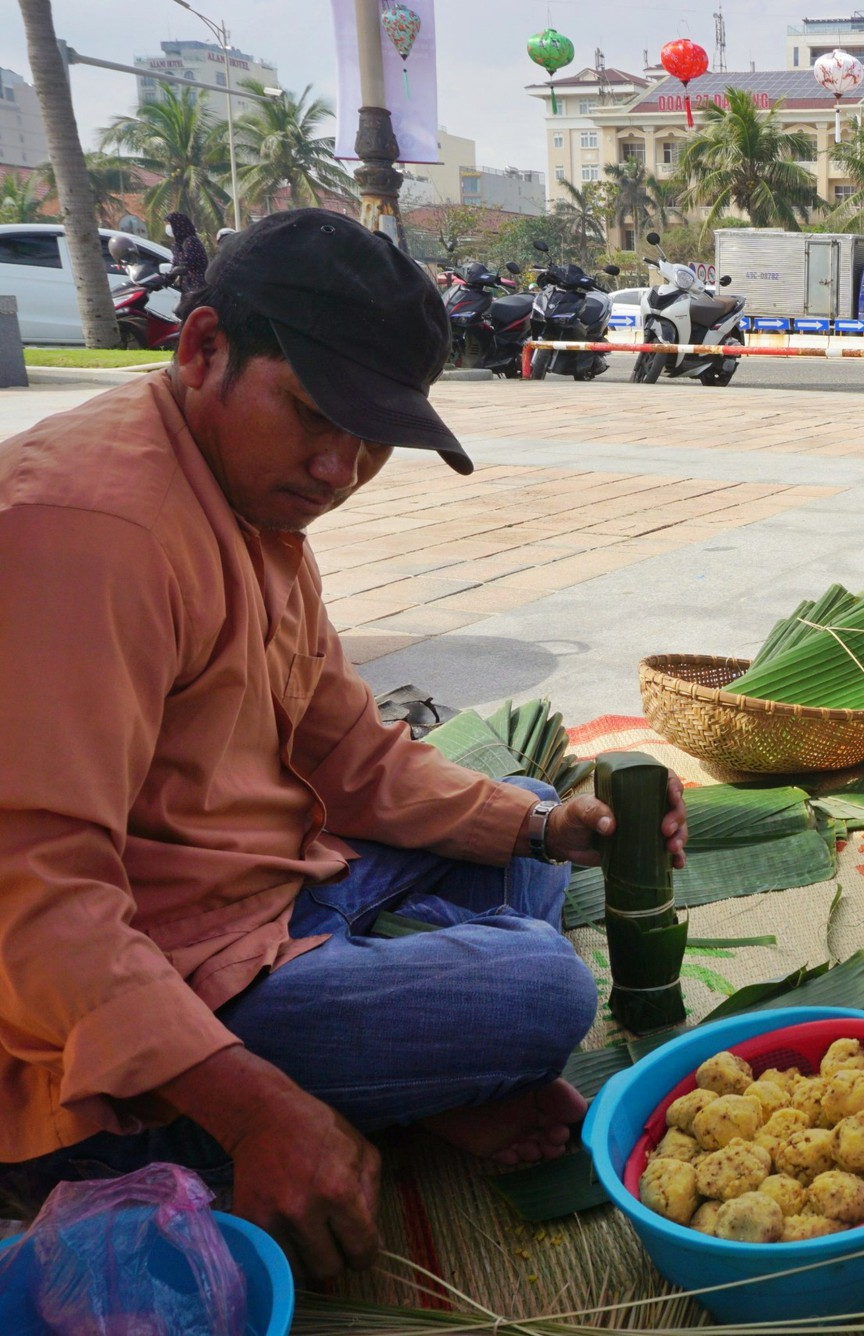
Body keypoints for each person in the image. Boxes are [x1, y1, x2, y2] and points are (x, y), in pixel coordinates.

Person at [0, 209, 689, 1280]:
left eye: (376, 438)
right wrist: (252, 1106)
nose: (339, 466)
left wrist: (550, 825)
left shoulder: (253, 503)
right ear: (201, 348)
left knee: (511, 809)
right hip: (119, 1011)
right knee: (542, 991)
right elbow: (31, 898)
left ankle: (417, 1076)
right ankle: (302, 1098)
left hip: (260, 898)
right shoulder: (89, 534)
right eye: (314, 414)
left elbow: (347, 758)